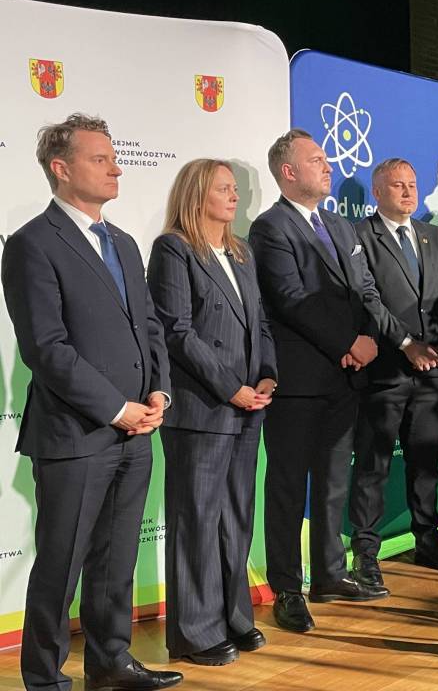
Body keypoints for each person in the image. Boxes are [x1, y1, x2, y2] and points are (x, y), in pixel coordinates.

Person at [1, 113, 181, 690]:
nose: (116, 169)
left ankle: (110, 663)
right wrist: (116, 408)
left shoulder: (123, 243)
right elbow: (47, 348)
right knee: (62, 564)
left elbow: (149, 326)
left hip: (137, 430)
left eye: (114, 158)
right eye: (100, 159)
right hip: (76, 434)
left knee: (115, 560)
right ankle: (45, 678)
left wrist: (158, 392)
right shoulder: (31, 244)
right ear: (61, 168)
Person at [248, 129, 387, 635]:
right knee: (288, 487)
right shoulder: (270, 228)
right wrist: (348, 343)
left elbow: (365, 287)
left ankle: (329, 575)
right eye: (317, 160)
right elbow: (290, 298)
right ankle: (287, 586)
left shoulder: (340, 225)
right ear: (288, 172)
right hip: (299, 380)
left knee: (332, 483)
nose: (329, 168)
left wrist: (367, 338)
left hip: (345, 377)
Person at [146, 160, 277, 666]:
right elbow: (177, 331)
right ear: (197, 194)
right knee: (197, 520)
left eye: (234, 188)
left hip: (248, 406)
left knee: (236, 518)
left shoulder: (241, 252)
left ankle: (233, 616)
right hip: (203, 408)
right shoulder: (173, 249)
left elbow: (260, 322)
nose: (234, 196)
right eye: (224, 188)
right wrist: (230, 388)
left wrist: (267, 376)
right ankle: (194, 633)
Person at [349, 158, 438, 591]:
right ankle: (365, 553)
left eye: (412, 184)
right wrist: (405, 343)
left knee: (425, 462)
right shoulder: (360, 235)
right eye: (397, 185)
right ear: (377, 192)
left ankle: (427, 540)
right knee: (373, 465)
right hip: (385, 371)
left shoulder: (435, 237)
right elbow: (368, 297)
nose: (408, 192)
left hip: (433, 370)